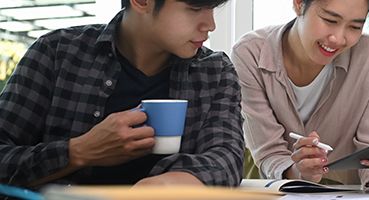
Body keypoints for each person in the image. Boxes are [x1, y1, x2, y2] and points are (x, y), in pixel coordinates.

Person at [0, 0, 243, 187]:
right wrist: (79, 151)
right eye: (194, 8)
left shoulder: (215, 71)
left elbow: (226, 157)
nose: (210, 25)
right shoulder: (57, 52)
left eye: (212, 8)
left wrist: (164, 184)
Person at [233, 0, 369, 189]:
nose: (338, 38)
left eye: (355, 27)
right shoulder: (250, 54)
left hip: (344, 191)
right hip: (271, 186)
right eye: (329, 20)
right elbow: (269, 152)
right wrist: (301, 171)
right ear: (298, 4)